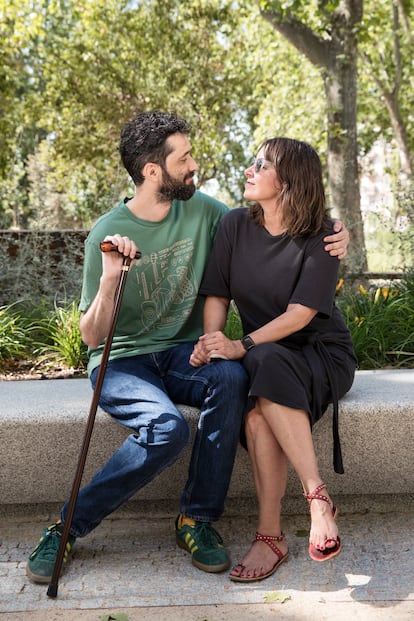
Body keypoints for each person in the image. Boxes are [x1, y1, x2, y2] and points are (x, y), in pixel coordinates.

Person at [26, 114, 350, 584]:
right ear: (154, 171)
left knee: (233, 378)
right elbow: (91, 337)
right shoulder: (106, 231)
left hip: (181, 353)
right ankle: (66, 526)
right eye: (185, 158)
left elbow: (285, 219)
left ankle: (196, 519)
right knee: (167, 428)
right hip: (122, 360)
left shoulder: (208, 212)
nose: (195, 165)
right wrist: (112, 279)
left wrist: (338, 231)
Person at [190, 137, 357, 583]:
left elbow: (301, 315)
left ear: (288, 183)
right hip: (267, 355)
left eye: (260, 164)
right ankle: (279, 530)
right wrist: (211, 340)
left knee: (263, 362)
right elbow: (217, 294)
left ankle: (312, 499)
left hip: (320, 353)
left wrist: (239, 345)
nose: (249, 169)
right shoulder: (233, 225)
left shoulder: (322, 234)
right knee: (258, 416)